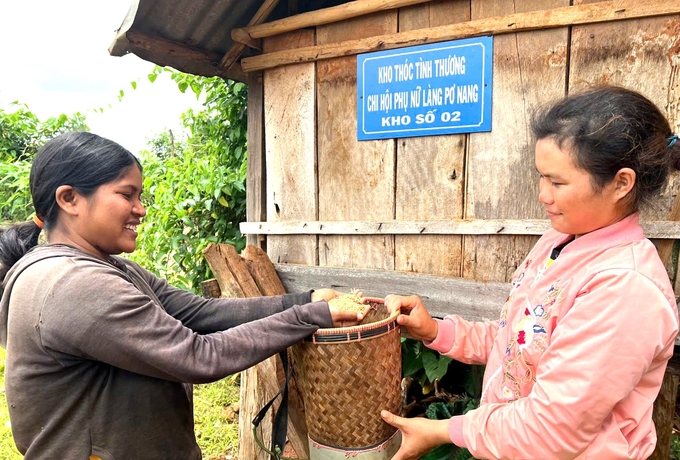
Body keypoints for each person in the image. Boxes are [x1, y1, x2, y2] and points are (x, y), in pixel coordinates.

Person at [0, 131, 365, 460]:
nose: (140, 209)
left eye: (139, 196)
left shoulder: (108, 267)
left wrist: (304, 300)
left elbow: (199, 313)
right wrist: (310, 317)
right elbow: (198, 356)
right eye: (127, 194)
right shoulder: (72, 283)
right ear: (70, 199)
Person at [381, 85, 680, 459]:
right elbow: (523, 340)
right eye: (541, 176)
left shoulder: (625, 288)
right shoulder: (559, 240)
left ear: (621, 183)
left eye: (557, 182)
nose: (543, 194)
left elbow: (551, 429)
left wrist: (446, 430)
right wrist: (439, 331)